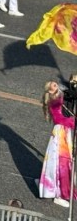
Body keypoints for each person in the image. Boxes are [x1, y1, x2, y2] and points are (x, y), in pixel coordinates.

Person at [40, 79, 75, 207]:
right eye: (55, 85)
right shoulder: (54, 102)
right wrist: (73, 123)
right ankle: (58, 195)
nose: (58, 85)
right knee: (62, 163)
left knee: (56, 162)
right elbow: (59, 119)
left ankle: (50, 186)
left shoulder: (60, 97)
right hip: (61, 133)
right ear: (50, 91)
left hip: (63, 132)